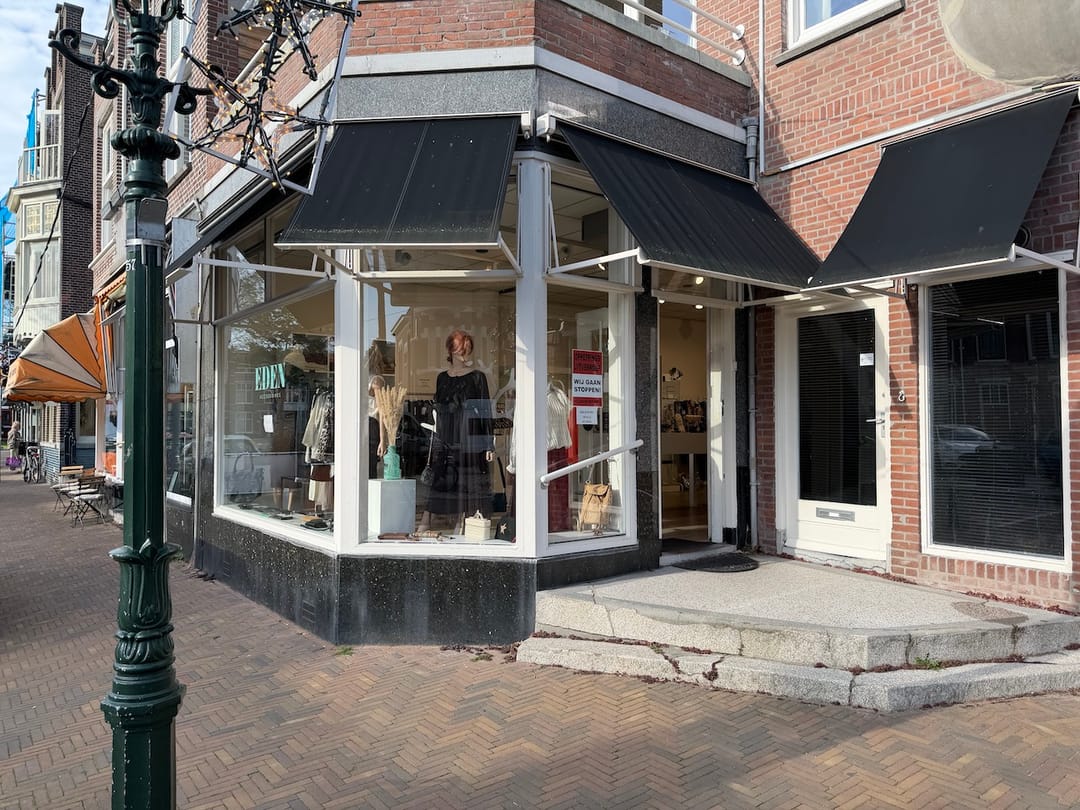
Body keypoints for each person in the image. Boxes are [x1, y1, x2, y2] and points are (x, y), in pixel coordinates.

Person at [417, 330, 494, 533]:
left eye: (467, 351)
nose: (464, 355)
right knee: (442, 475)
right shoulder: (442, 378)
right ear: (451, 351)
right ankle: (427, 520)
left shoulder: (477, 377)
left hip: (468, 432)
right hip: (447, 433)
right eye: (461, 350)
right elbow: (438, 405)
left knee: (465, 477)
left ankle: (462, 521)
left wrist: (488, 443)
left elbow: (485, 410)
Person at [368, 374, 388, 474]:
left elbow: (381, 413)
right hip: (366, 425)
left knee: (370, 464)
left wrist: (383, 440)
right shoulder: (375, 381)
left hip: (370, 425)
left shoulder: (376, 380)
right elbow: (381, 412)